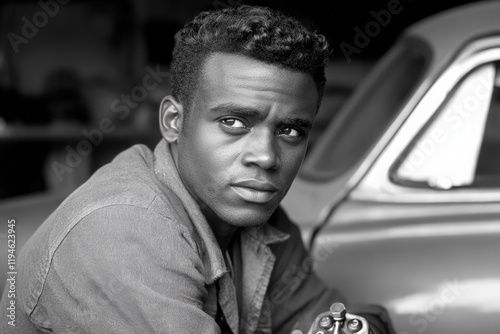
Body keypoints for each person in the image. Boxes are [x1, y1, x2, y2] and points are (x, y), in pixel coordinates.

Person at [0, 5, 395, 334]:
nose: (267, 156)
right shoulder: (124, 231)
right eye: (234, 122)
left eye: (290, 130)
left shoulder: (260, 219)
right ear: (173, 121)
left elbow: (332, 316)